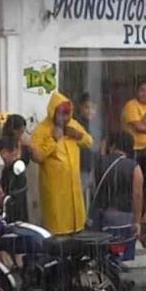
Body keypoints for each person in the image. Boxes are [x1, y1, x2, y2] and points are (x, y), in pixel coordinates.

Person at [31, 92, 92, 235]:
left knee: (76, 228)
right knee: (57, 229)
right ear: (53, 112)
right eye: (62, 114)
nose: (65, 118)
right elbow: (37, 156)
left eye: (68, 114)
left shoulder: (73, 125)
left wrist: (78, 135)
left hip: (74, 187)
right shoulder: (42, 129)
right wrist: (53, 140)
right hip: (55, 189)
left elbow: (89, 141)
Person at [91, 132, 144, 258]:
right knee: (126, 258)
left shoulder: (99, 164)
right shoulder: (133, 166)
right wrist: (137, 221)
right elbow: (137, 195)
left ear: (113, 145)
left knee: (107, 256)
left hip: (103, 218)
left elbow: (93, 188)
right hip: (126, 218)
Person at [0, 114, 34, 223]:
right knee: (5, 217)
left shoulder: (23, 147)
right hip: (4, 184)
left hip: (20, 188)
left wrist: (30, 146)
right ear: (14, 131)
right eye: (20, 132)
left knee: (20, 219)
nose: (22, 135)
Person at [75, 93, 98, 208]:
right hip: (80, 165)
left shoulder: (93, 125)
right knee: (81, 198)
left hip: (90, 165)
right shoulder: (77, 124)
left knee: (89, 197)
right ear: (80, 107)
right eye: (87, 107)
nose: (90, 111)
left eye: (93, 108)